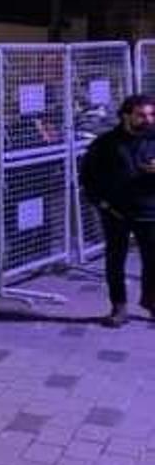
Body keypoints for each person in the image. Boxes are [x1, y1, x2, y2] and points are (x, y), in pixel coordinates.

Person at [81, 94, 155, 328]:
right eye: (141, 115)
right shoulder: (106, 144)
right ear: (126, 115)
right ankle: (118, 306)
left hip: (150, 210)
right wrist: (101, 204)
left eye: (151, 115)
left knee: (152, 261)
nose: (148, 120)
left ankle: (151, 303)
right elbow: (87, 177)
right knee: (116, 260)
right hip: (116, 212)